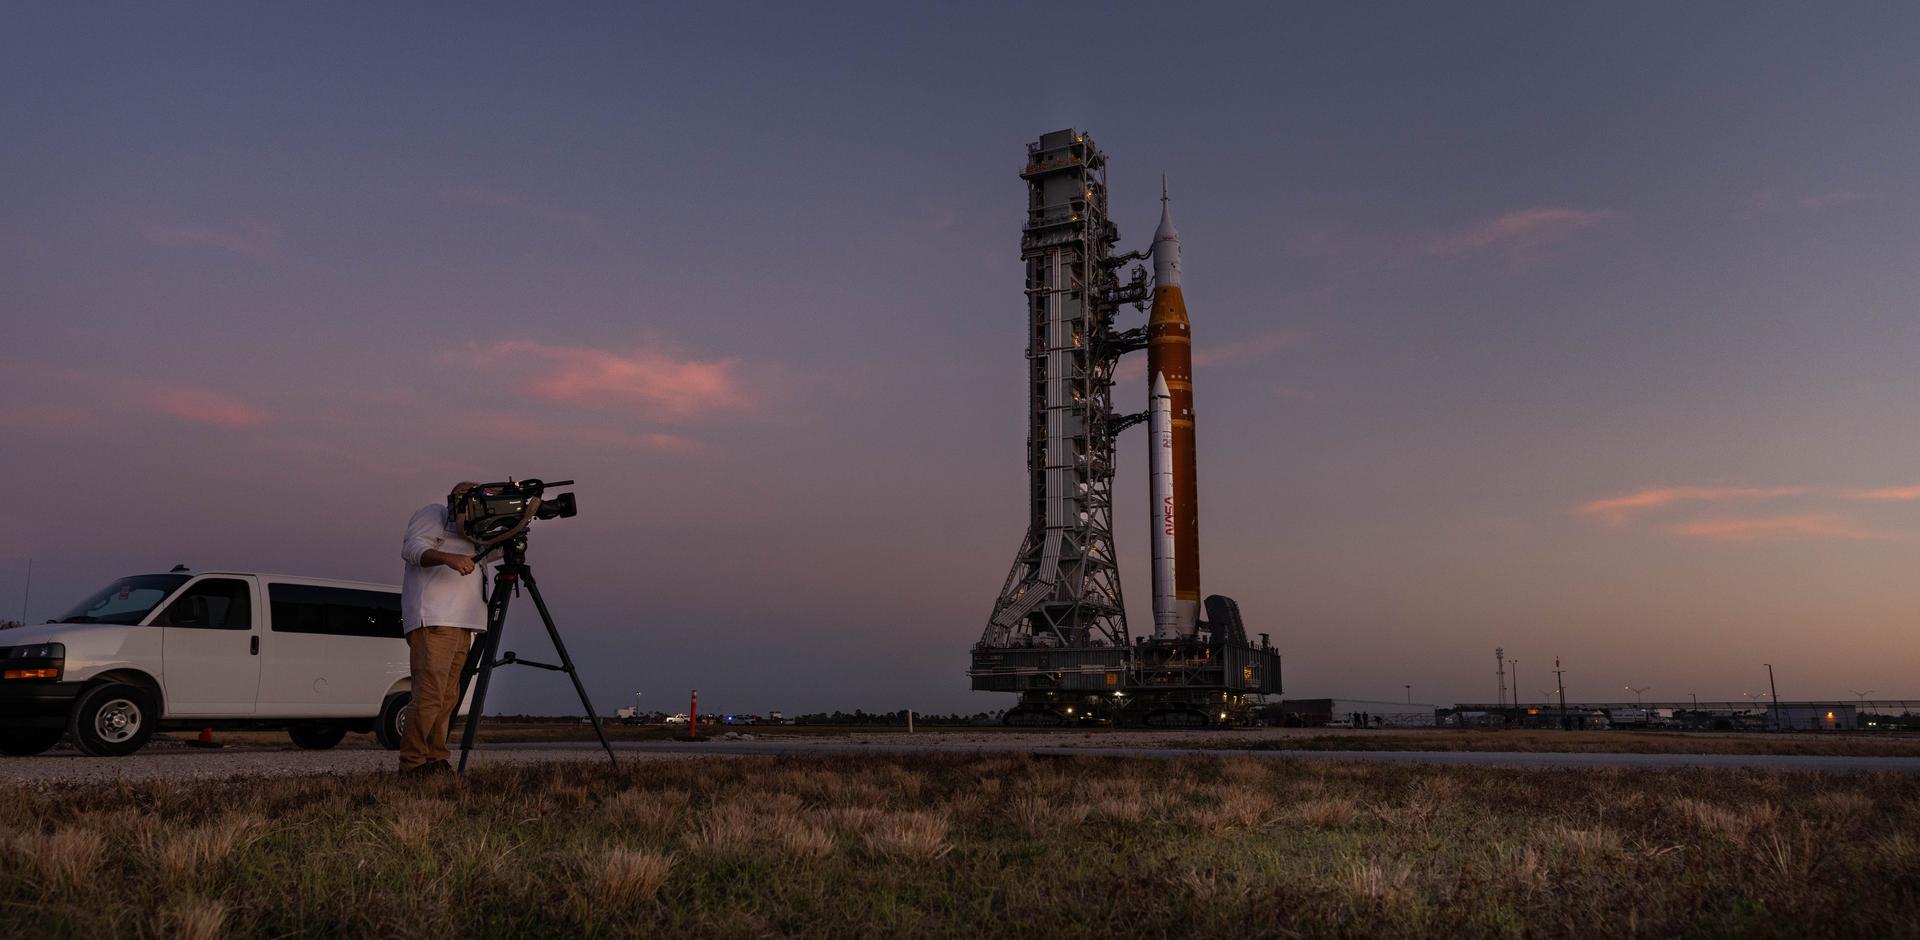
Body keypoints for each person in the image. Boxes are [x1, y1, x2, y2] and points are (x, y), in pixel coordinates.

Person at [397, 482, 490, 775]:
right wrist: (448, 559)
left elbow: (489, 557)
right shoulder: (434, 514)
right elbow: (412, 548)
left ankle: (435, 758)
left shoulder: (476, 531)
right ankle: (412, 764)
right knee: (429, 694)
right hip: (435, 618)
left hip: (463, 622)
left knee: (448, 696)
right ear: (455, 500)